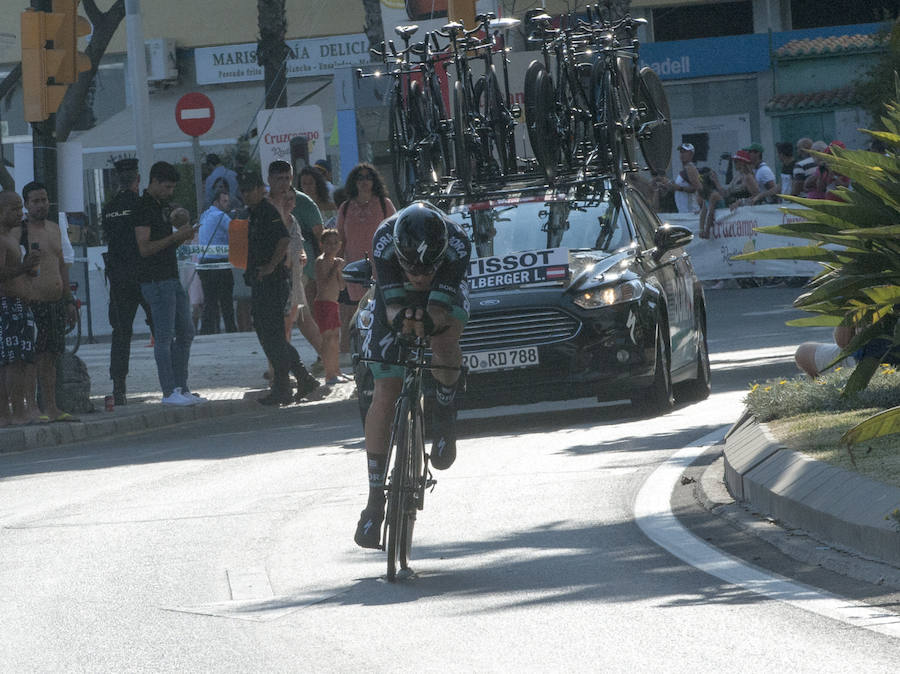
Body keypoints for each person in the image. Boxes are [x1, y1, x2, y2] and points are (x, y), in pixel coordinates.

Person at [354, 201, 471, 549]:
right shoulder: (383, 240)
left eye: (426, 269)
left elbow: (438, 307)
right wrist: (403, 318)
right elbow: (390, 308)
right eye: (412, 269)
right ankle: (375, 501)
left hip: (444, 292)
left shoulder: (458, 243)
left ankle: (445, 415)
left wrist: (433, 321)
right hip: (394, 295)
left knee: (444, 341)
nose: (419, 276)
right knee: (385, 390)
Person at [239, 171, 320, 405]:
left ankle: (285, 386)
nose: (245, 195)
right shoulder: (253, 213)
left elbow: (283, 239)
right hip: (261, 282)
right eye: (242, 191)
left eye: (249, 190)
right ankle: (301, 379)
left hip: (272, 283)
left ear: (259, 190)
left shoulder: (266, 211)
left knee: (272, 335)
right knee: (270, 336)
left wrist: (270, 266)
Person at [134, 161, 204, 406]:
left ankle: (181, 387)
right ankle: (169, 391)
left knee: (186, 332)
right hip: (155, 279)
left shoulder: (161, 206)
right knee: (164, 337)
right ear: (153, 182)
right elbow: (144, 248)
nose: (169, 191)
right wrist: (175, 236)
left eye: (172, 187)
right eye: (166, 186)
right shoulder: (143, 207)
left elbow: (164, 244)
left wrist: (181, 236)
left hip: (171, 276)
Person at [19, 182, 79, 422]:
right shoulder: (19, 231)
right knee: (32, 359)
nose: (41, 205)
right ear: (26, 204)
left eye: (44, 200)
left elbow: (62, 265)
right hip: (33, 302)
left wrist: (68, 300)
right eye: (35, 201)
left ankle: (52, 406)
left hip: (56, 301)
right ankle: (32, 406)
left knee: (51, 356)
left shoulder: (55, 229)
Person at [102, 158, 154, 405]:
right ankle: (174, 382)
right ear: (138, 179)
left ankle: (119, 388)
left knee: (121, 334)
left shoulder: (108, 208)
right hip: (144, 276)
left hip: (119, 279)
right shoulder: (143, 205)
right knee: (161, 330)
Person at [336, 163, 396, 352]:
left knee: (379, 308)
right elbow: (340, 240)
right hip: (354, 270)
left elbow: (395, 234)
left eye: (367, 177)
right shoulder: (345, 208)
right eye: (359, 178)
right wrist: (337, 269)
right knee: (354, 312)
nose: (363, 182)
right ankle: (352, 351)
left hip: (382, 266)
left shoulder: (384, 204)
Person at [0, 190, 39, 426]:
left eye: (19, 208)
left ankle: (10, 412)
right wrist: (24, 267)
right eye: (13, 208)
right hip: (8, 305)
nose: (19, 213)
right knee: (14, 361)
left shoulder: (11, 237)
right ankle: (14, 412)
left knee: (21, 361)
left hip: (19, 304)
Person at [196, 188, 237, 334]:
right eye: (224, 201)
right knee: (226, 300)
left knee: (210, 300)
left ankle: (207, 331)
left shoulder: (205, 215)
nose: (227, 204)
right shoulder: (221, 216)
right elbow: (235, 233)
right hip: (219, 263)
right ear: (216, 202)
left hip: (204, 263)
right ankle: (231, 329)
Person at [314, 229, 345, 385]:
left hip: (333, 303)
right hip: (323, 304)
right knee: (327, 339)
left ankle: (336, 370)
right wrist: (334, 268)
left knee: (335, 338)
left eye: (335, 243)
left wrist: (339, 270)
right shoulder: (321, 261)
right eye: (328, 243)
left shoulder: (335, 262)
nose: (332, 247)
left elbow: (341, 286)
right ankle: (329, 373)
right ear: (322, 245)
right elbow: (323, 285)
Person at [667, 143, 704, 214]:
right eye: (681, 152)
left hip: (690, 212)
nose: (682, 154)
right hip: (684, 211)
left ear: (691, 154)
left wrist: (680, 188)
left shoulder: (690, 168)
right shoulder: (685, 168)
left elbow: (698, 188)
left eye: (685, 152)